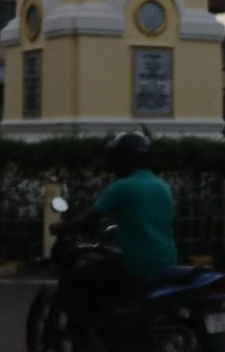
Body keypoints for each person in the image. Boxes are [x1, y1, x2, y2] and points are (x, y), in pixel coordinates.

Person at [49, 131, 177, 350]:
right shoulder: (162, 186)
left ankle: (90, 339)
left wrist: (61, 226)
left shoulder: (122, 187)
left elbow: (90, 218)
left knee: (73, 281)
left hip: (136, 263)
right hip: (167, 261)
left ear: (121, 160)